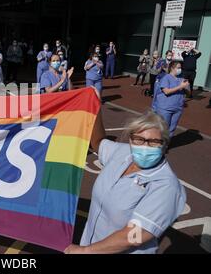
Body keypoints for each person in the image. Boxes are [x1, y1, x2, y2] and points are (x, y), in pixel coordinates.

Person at [64, 107, 186, 254]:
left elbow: (134, 236)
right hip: (91, 244)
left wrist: (86, 251)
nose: (145, 147)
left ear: (164, 144)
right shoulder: (123, 153)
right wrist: (94, 107)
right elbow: (98, 143)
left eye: (153, 142)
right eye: (139, 139)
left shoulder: (166, 186)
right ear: (130, 140)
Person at [153, 61, 190, 137]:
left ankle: (166, 144)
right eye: (178, 68)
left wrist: (186, 88)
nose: (180, 69)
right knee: (163, 127)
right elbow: (166, 91)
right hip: (165, 108)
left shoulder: (182, 79)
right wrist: (180, 87)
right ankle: (158, 144)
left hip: (177, 108)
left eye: (181, 68)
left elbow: (189, 94)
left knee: (172, 129)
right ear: (172, 68)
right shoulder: (166, 78)